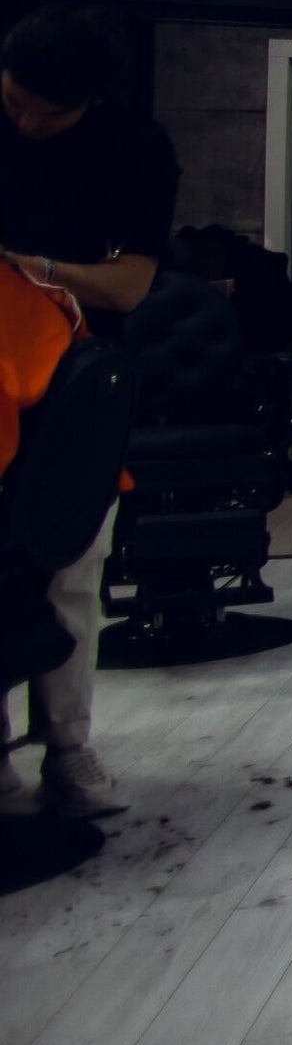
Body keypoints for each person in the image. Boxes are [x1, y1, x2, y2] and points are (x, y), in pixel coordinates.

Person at [0, 251, 117, 816]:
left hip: (66, 484)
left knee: (66, 587)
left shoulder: (25, 294)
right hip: (45, 481)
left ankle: (67, 744)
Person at [0, 9, 179, 317]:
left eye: (52, 116)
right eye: (14, 103)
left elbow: (128, 290)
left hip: (71, 333)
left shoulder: (137, 146)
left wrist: (21, 268)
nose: (27, 125)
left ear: (94, 100)